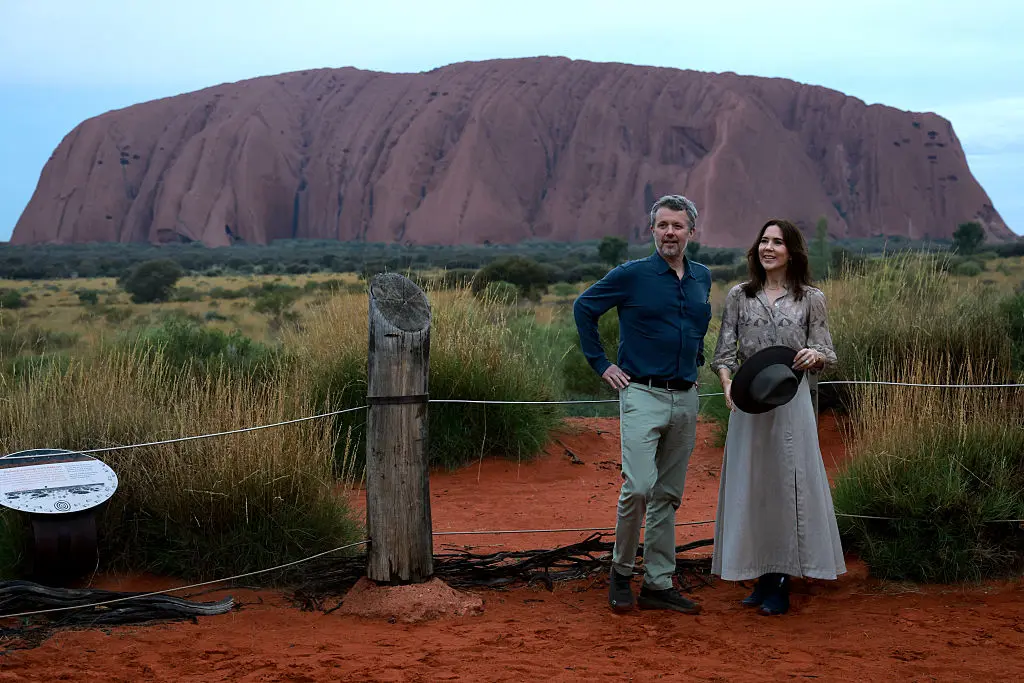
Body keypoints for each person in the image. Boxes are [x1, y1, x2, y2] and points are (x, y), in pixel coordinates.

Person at [573, 195, 713, 615]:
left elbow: (696, 325)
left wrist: (696, 358)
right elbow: (584, 308)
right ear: (652, 230)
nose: (670, 232)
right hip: (642, 393)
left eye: (678, 225)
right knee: (637, 487)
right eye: (663, 225)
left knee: (668, 494)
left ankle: (658, 583)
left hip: (686, 396)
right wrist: (601, 364)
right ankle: (620, 572)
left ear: (691, 232)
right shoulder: (631, 275)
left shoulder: (702, 277)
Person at [710, 218, 846, 616]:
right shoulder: (739, 295)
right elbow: (723, 353)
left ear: (792, 252)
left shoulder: (810, 298)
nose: (768, 248)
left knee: (789, 487)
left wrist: (814, 356)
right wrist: (726, 385)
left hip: (791, 402)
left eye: (778, 242)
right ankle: (760, 573)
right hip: (748, 403)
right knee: (753, 486)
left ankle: (782, 578)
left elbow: (827, 353)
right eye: (763, 241)